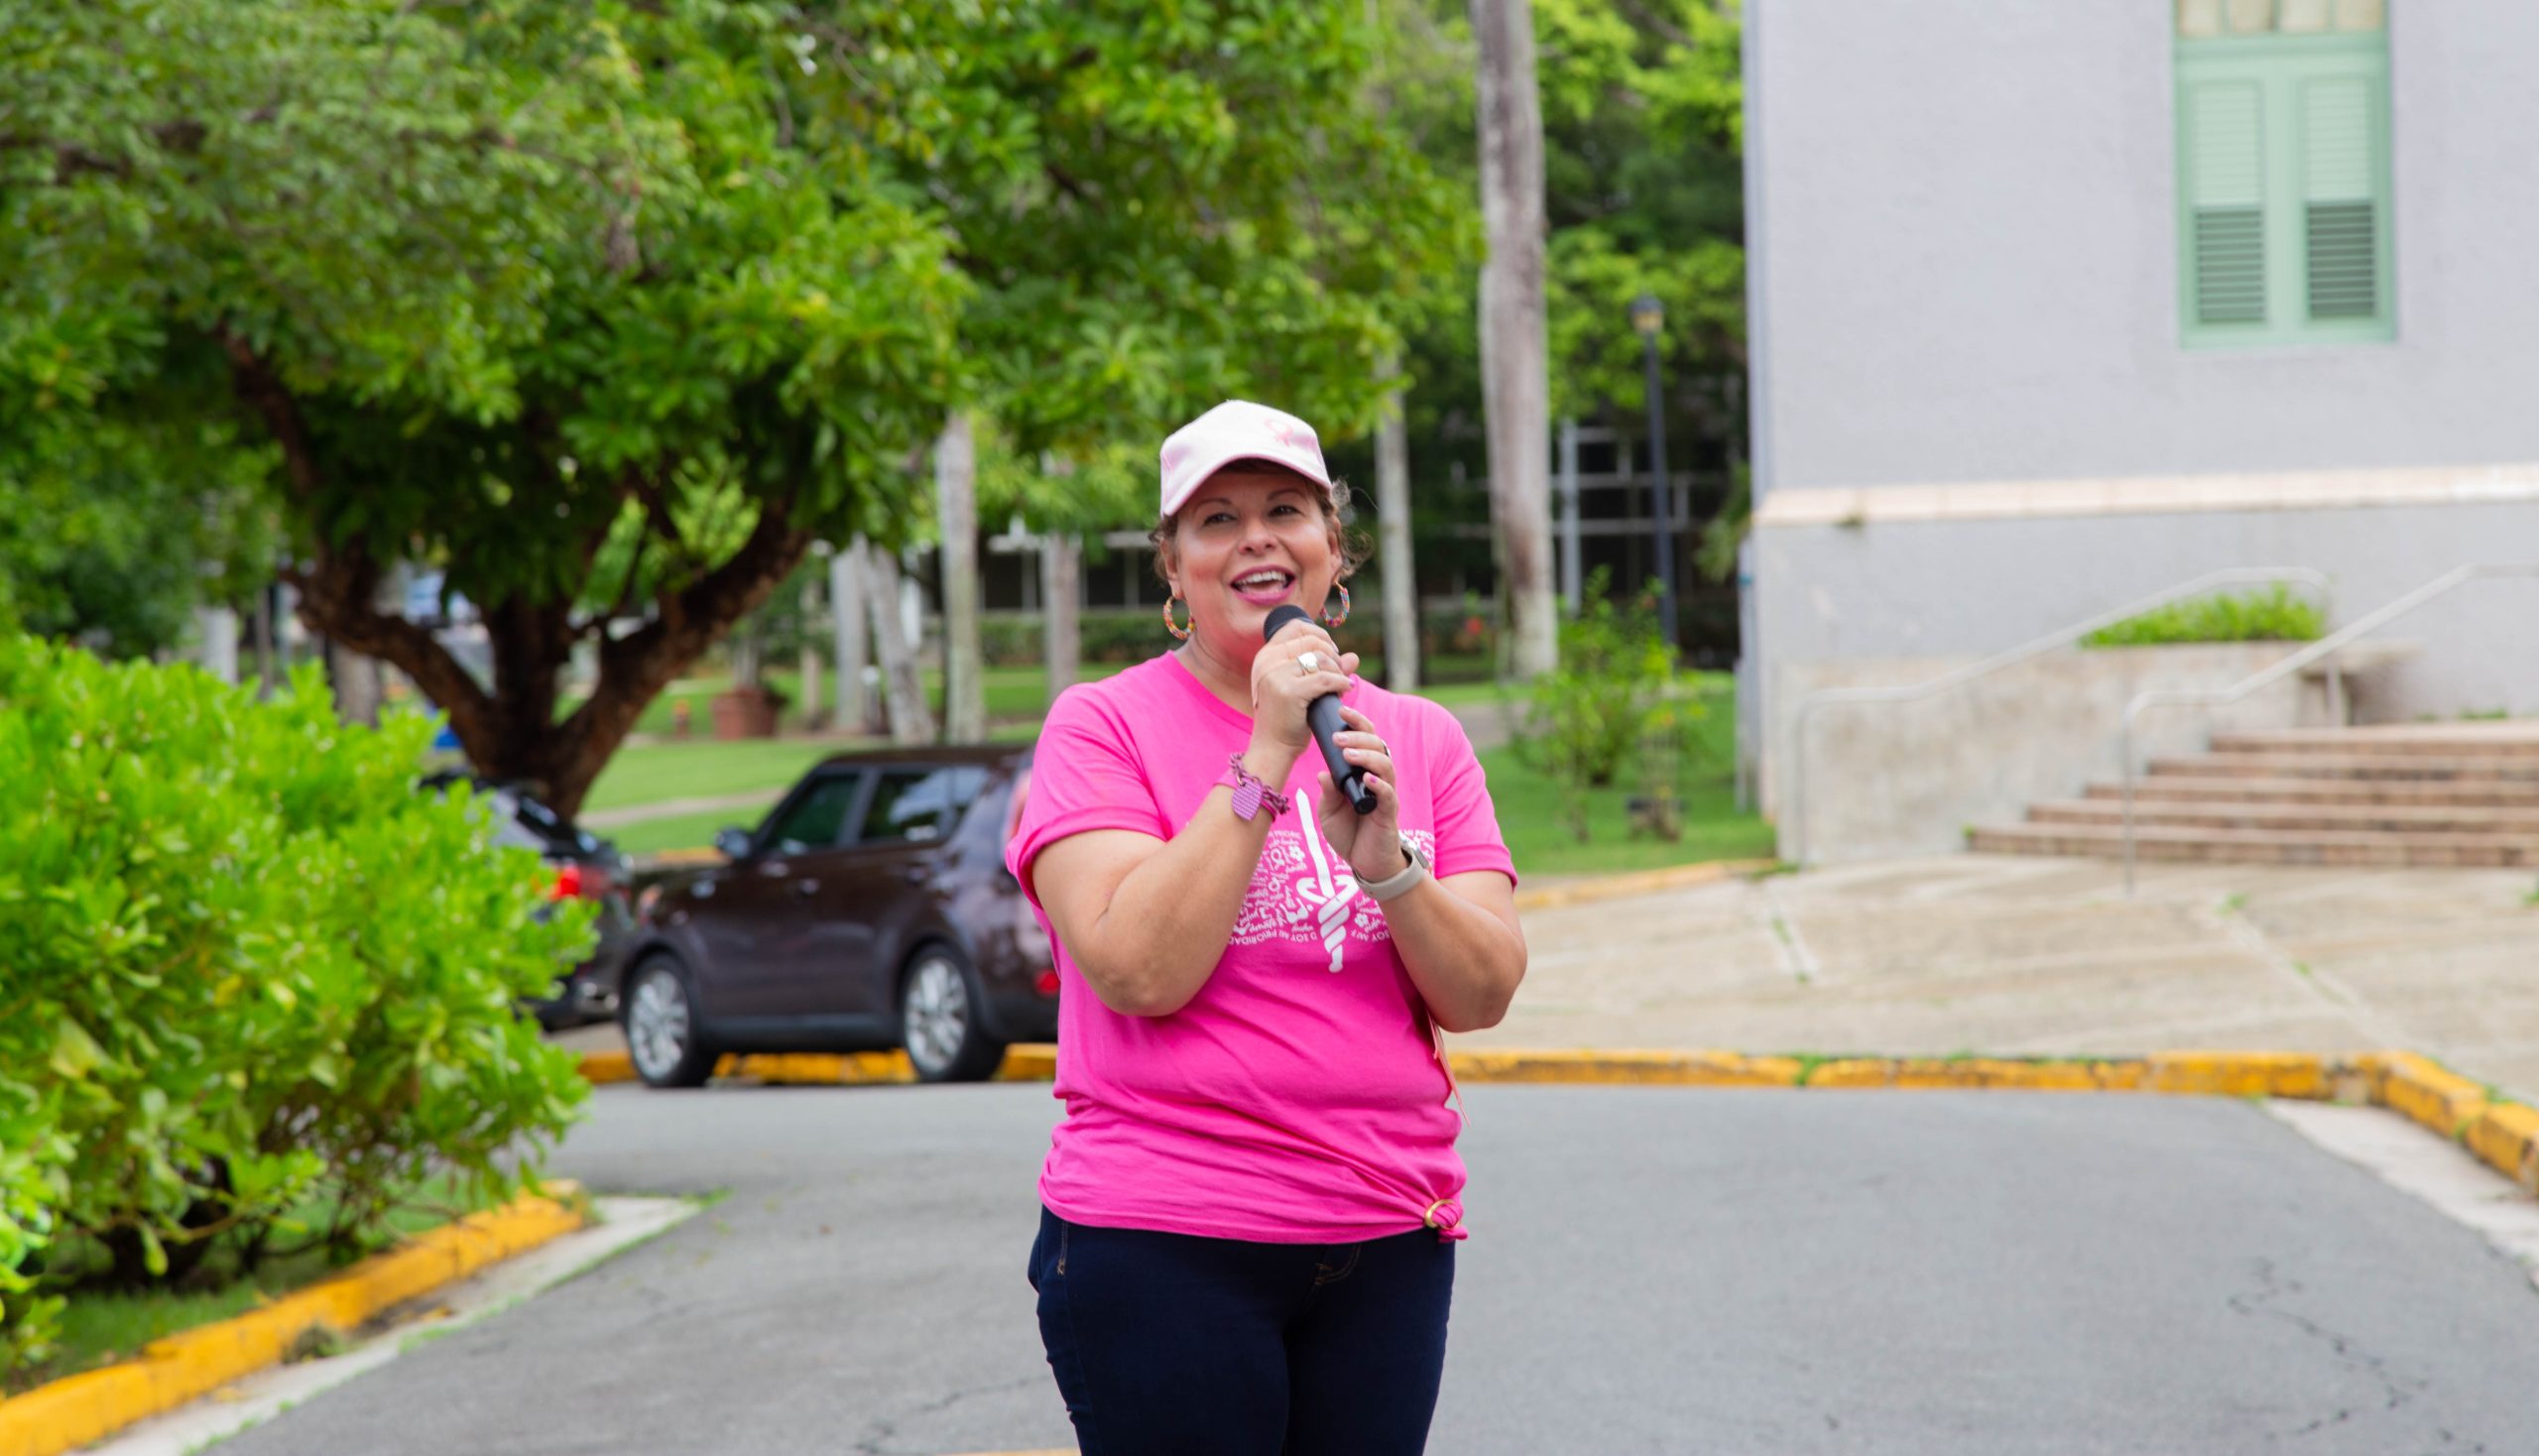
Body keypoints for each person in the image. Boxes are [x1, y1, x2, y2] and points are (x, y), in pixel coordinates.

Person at [1008, 399, 1528, 1454]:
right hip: (1165, 1238)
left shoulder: (1418, 737)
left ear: (1333, 552)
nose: (1255, 535)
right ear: (1174, 569)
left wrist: (1391, 873)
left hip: (1386, 1235)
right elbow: (1137, 968)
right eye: (1215, 518)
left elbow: (1480, 994)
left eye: (1285, 508)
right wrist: (1261, 756)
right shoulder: (1098, 724)